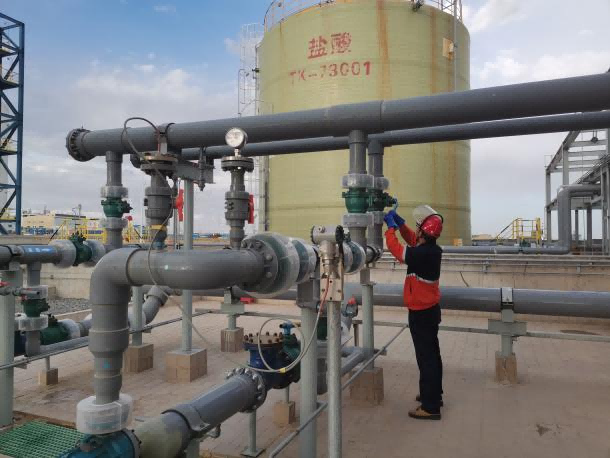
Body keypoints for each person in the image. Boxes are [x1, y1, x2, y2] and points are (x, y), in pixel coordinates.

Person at [384, 205, 444, 420]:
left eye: (419, 226)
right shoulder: (430, 249)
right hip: (429, 310)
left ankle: (430, 407)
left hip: (421, 313)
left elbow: (399, 251)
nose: (416, 229)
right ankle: (433, 395)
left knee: (426, 358)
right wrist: (400, 223)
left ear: (424, 232)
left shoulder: (422, 253)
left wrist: (390, 229)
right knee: (432, 356)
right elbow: (412, 240)